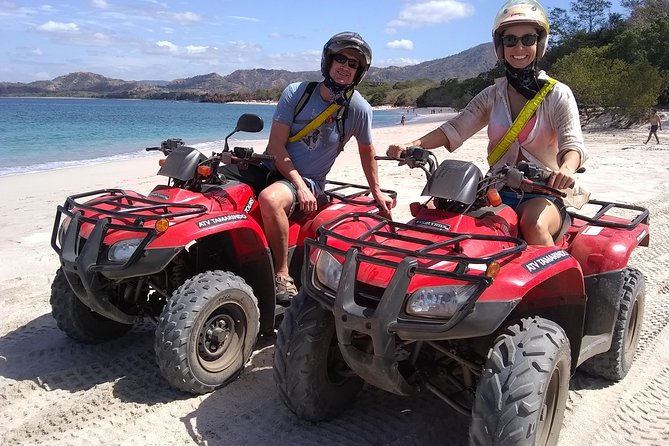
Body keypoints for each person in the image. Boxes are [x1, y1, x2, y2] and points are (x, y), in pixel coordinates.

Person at [387, 0, 588, 247]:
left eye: (528, 39)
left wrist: (566, 170)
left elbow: (572, 144)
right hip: (495, 186)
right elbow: (455, 128)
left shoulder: (557, 93)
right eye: (510, 40)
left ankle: (560, 285)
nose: (519, 47)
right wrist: (412, 144)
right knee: (434, 213)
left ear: (540, 43)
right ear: (500, 46)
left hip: (542, 191)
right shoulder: (493, 95)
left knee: (533, 226)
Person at [222, 32, 395, 301]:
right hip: (274, 167)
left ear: (358, 73)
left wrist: (376, 191)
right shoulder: (297, 93)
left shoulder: (358, 109)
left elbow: (366, 150)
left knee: (270, 199)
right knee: (214, 184)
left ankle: (281, 274)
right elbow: (276, 146)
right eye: (341, 59)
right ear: (328, 61)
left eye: (353, 64)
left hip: (309, 181)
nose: (345, 67)